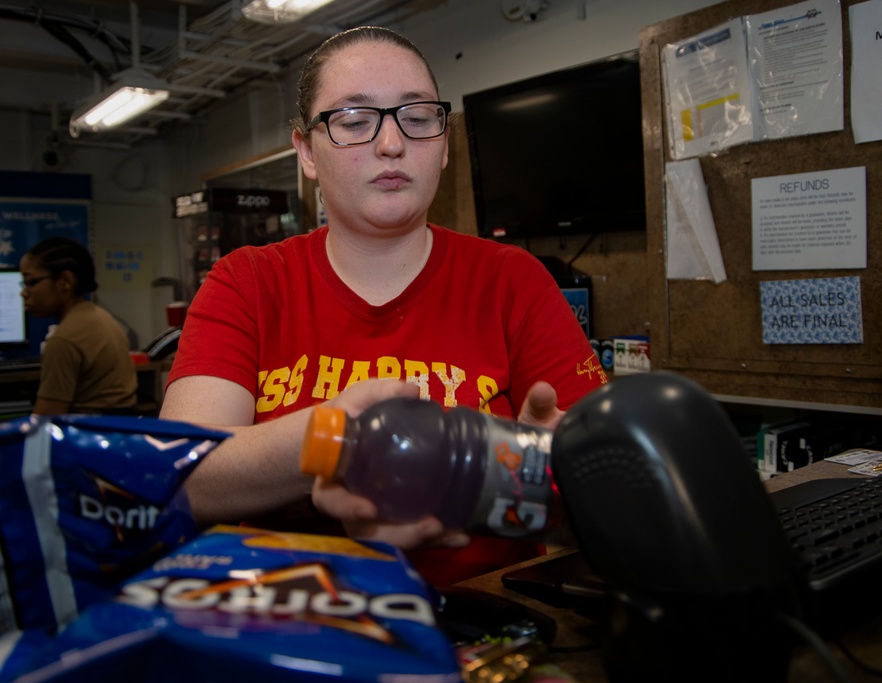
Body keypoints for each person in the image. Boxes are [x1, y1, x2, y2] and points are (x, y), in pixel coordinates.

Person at [159, 26, 607, 584]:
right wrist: (337, 445)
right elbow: (183, 475)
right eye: (353, 120)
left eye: (417, 118)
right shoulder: (246, 281)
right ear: (307, 152)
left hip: (478, 632)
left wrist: (539, 474)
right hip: (283, 625)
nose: (391, 143)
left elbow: (606, 499)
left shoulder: (513, 280)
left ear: (444, 145)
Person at [19, 237, 138, 415]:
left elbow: (44, 422)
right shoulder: (102, 318)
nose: (24, 293)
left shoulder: (64, 340)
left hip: (85, 436)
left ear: (65, 281)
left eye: (31, 282)